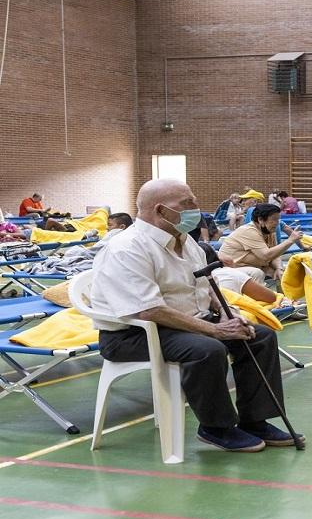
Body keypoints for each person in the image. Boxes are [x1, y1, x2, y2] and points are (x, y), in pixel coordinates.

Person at [89, 178, 300, 452]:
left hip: (185, 323)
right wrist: (214, 330)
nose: (196, 209)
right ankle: (216, 427)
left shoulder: (186, 241)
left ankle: (255, 421)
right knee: (207, 347)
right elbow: (148, 309)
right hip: (134, 333)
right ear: (161, 210)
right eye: (187, 204)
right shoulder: (127, 248)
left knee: (259, 336)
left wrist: (227, 314)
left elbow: (205, 286)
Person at [219, 203, 303, 279]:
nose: (277, 223)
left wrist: (278, 268)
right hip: (231, 268)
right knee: (257, 273)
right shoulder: (249, 231)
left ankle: (281, 296)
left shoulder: (269, 231)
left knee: (281, 273)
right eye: (274, 219)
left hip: (252, 266)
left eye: (278, 219)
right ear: (260, 220)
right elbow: (266, 255)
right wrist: (290, 240)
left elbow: (275, 255)